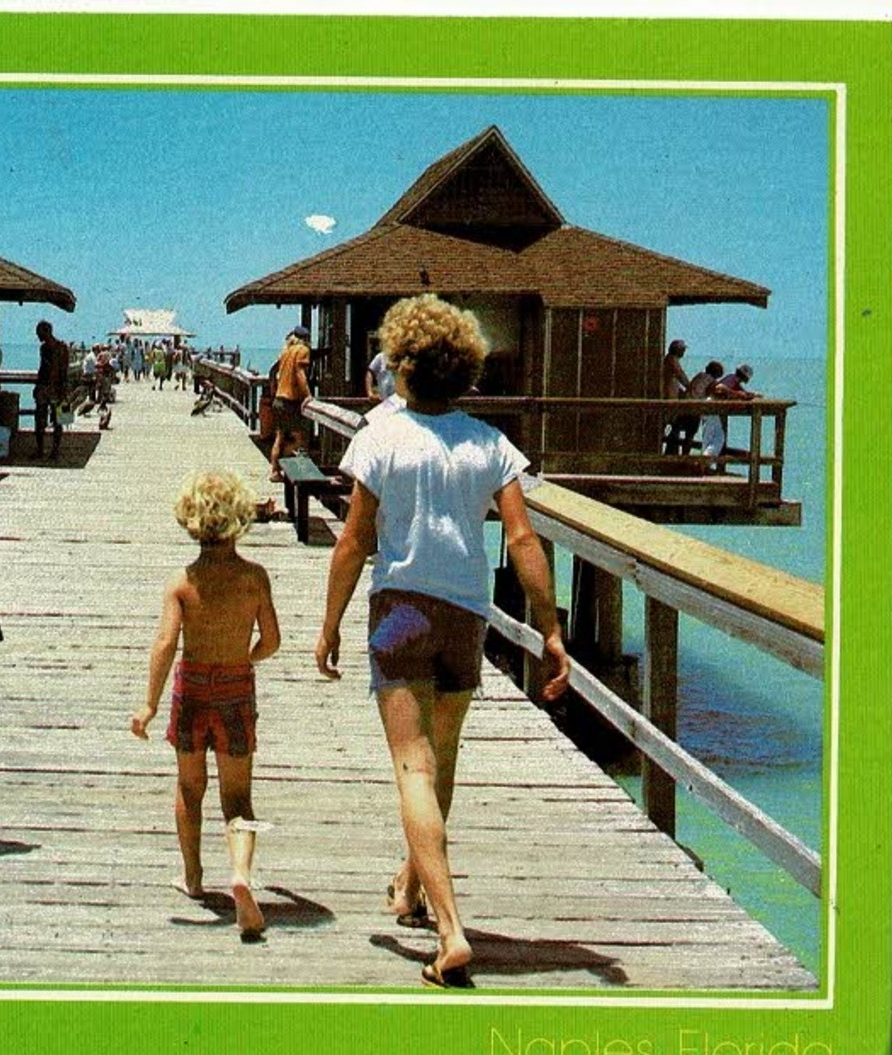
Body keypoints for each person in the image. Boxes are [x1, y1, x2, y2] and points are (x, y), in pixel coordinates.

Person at [315, 295, 569, 989]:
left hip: (400, 612)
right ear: (465, 371)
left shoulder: (378, 439)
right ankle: (410, 886)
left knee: (412, 769)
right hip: (466, 618)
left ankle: (452, 932)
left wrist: (330, 622)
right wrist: (550, 630)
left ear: (400, 367)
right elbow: (521, 539)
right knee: (442, 760)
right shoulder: (492, 445)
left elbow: (355, 540)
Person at [131, 470, 281, 939]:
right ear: (240, 520)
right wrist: (246, 657)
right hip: (236, 688)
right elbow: (272, 640)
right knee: (238, 797)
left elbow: (164, 645)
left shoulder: (182, 583)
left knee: (189, 787)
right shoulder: (254, 578)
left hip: (192, 691)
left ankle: (194, 877)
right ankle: (240, 872)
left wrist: (149, 705)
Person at [267, 325, 312, 482]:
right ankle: (294, 471)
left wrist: (274, 391)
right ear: (306, 339)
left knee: (280, 437)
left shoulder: (286, 351)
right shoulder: (302, 350)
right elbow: (300, 373)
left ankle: (275, 471)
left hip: (279, 399)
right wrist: (308, 396)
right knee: (300, 438)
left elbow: (273, 372)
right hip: (291, 401)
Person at [705, 362, 758, 461]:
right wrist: (737, 394)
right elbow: (719, 388)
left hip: (711, 406)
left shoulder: (733, 379)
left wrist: (752, 395)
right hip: (712, 406)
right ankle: (704, 462)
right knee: (718, 437)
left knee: (710, 436)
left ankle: (703, 463)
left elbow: (743, 394)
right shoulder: (733, 379)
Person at [33, 319, 69, 460]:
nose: (38, 337)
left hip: (48, 387)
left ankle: (43, 450)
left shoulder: (48, 348)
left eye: (39, 333)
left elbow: (44, 370)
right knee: (58, 421)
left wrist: (38, 386)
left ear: (46, 332)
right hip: (56, 388)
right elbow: (64, 370)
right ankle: (54, 451)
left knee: (42, 419)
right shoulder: (62, 347)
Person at [660, 340, 698, 455]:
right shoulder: (672, 360)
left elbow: (675, 380)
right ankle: (672, 454)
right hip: (669, 398)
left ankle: (671, 452)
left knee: (673, 426)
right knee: (672, 425)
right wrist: (690, 387)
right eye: (683, 350)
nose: (684, 352)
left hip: (672, 397)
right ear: (678, 350)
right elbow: (680, 375)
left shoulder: (669, 359)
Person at [685, 360, 725, 459]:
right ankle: (685, 458)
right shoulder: (711, 381)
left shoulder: (700, 375)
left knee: (684, 434)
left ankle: (682, 457)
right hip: (695, 408)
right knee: (690, 435)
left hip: (685, 405)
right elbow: (710, 393)